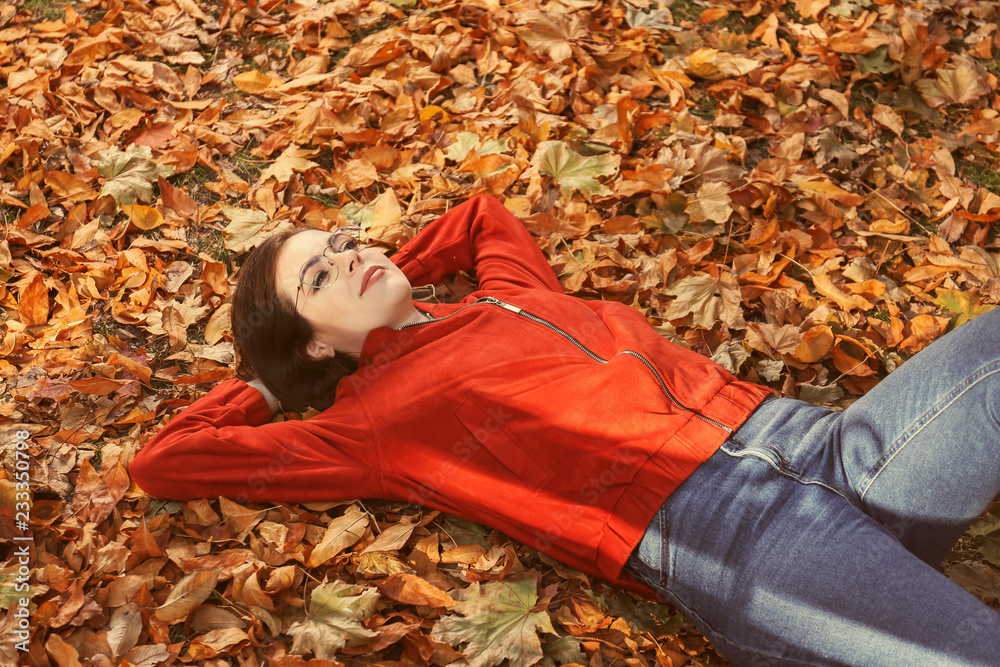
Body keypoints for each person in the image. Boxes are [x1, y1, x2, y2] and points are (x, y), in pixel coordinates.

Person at [129, 195, 1000, 665]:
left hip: (824, 443)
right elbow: (165, 460)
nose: (353, 254)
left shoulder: (507, 291)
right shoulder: (368, 424)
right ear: (312, 337)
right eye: (321, 273)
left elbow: (480, 216)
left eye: (346, 238)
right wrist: (274, 384)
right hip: (739, 541)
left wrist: (386, 277)